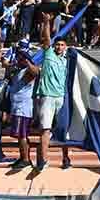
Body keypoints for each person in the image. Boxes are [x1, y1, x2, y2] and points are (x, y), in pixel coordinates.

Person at [34, 14, 72, 170]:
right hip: (47, 96)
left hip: (61, 97)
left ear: (65, 47)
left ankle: (66, 159)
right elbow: (46, 37)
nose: (59, 47)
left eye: (62, 45)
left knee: (63, 130)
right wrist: (46, 22)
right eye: (57, 45)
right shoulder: (48, 54)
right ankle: (43, 160)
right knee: (45, 129)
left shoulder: (67, 60)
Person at [3, 44, 39, 170]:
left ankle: (26, 159)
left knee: (22, 135)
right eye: (18, 58)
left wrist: (28, 62)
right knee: (19, 136)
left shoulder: (28, 71)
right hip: (16, 107)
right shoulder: (17, 71)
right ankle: (23, 157)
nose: (19, 60)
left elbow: (36, 72)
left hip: (23, 108)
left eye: (22, 58)